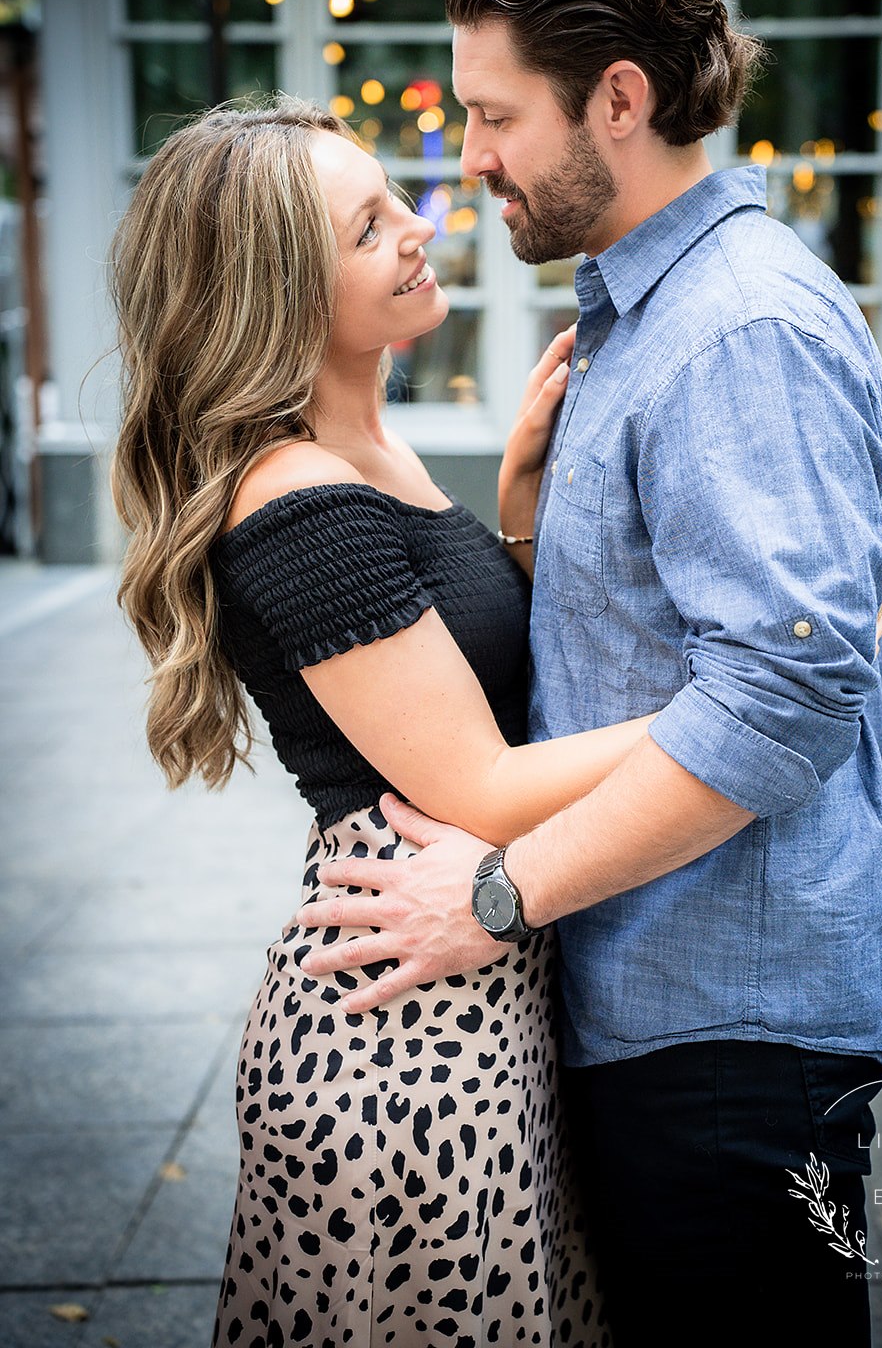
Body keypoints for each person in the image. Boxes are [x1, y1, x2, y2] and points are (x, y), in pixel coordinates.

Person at [295, 0, 882, 1344]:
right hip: (667, 1011)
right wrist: (522, 511)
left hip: (728, 1044)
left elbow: (781, 698)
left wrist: (496, 896)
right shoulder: (645, 315)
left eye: (494, 114)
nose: (469, 157)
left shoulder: (734, 329)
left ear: (617, 100)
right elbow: (646, 642)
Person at [109, 98, 663, 1347]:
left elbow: (481, 687)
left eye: (392, 200)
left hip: (466, 982)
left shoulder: (364, 454)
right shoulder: (299, 499)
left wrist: (513, 499)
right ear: (281, 295)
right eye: (370, 227)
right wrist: (738, 705)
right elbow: (478, 781)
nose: (420, 228)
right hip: (402, 1055)